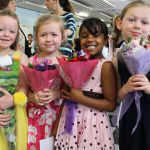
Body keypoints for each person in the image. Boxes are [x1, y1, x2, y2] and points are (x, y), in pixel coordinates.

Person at [53, 18, 117, 150]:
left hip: (92, 123)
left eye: (96, 35)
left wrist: (80, 98)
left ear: (105, 40)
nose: (89, 39)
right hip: (69, 120)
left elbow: (111, 105)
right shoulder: (74, 63)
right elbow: (66, 97)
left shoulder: (105, 66)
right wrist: (56, 125)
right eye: (84, 36)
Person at [112, 1, 150, 150]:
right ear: (120, 23)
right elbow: (117, 97)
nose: (137, 26)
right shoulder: (117, 59)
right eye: (132, 20)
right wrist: (127, 87)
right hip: (130, 116)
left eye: (145, 22)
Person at [27, 14, 65, 150]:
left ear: (63, 37)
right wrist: (33, 97)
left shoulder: (67, 62)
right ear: (36, 38)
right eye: (43, 35)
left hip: (58, 115)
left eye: (54, 34)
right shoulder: (31, 62)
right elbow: (24, 91)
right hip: (33, 116)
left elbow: (71, 92)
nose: (48, 39)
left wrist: (57, 93)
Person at [0, 9, 29, 150]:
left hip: (13, 114)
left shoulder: (21, 57)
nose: (6, 34)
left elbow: (24, 86)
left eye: (12, 31)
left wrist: (12, 100)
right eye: (1, 29)